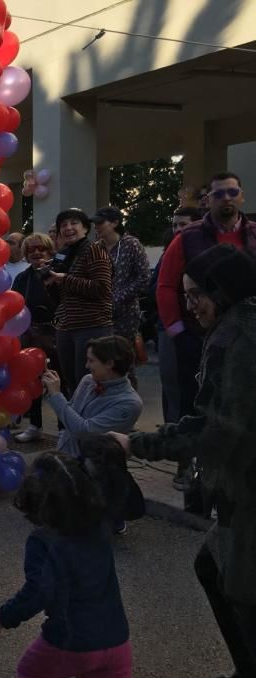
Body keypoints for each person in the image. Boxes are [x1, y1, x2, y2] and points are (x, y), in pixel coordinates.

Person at [111, 245, 256, 678]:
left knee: (238, 588)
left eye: (197, 294)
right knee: (213, 568)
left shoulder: (237, 338)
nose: (189, 304)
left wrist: (136, 442)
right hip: (240, 482)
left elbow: (217, 429)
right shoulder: (240, 325)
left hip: (248, 488)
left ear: (224, 290)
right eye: (186, 294)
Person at [0, 451, 132, 678]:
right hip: (117, 639)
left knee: (32, 675)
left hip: (70, 640)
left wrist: (6, 615)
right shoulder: (100, 525)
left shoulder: (43, 541)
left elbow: (39, 591)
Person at [156, 173, 256, 464]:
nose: (226, 198)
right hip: (197, 335)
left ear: (242, 195)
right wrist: (178, 332)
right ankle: (188, 465)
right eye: (218, 194)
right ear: (207, 200)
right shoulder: (187, 237)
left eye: (232, 192)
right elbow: (165, 285)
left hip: (247, 336)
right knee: (193, 401)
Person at [151, 207, 202, 491]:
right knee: (177, 393)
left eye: (183, 224)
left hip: (208, 331)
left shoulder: (206, 250)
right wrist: (173, 326)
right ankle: (183, 457)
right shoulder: (170, 252)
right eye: (174, 224)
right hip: (174, 331)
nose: (178, 229)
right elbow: (156, 287)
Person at [45, 208, 113, 396]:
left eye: (74, 223)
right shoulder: (64, 254)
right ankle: (75, 423)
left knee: (90, 383)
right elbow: (62, 294)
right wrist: (49, 282)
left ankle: (91, 424)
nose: (68, 228)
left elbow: (102, 289)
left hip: (91, 326)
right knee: (72, 384)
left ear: (85, 228)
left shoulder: (94, 250)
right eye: (63, 225)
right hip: (66, 327)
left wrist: (64, 279)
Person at [43, 335, 142, 460]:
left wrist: (57, 395)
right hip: (66, 456)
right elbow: (69, 418)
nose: (86, 366)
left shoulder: (130, 403)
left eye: (91, 360)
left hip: (93, 469)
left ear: (110, 364)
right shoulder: (88, 380)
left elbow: (84, 432)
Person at [11, 233, 58, 443]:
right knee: (32, 381)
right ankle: (35, 425)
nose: (37, 253)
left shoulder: (59, 272)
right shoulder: (22, 278)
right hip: (30, 335)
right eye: (31, 250)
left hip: (56, 333)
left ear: (49, 250)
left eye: (41, 248)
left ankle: (64, 428)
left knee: (60, 381)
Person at [92, 207, 150, 347]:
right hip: (99, 316)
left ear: (115, 223)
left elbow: (144, 278)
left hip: (126, 315)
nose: (96, 227)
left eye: (100, 223)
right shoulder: (95, 248)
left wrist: (118, 298)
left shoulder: (131, 244)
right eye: (95, 223)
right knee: (102, 357)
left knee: (122, 358)